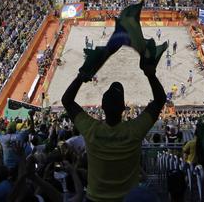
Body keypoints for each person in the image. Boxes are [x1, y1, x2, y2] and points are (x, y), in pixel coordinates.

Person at [61, 58, 167, 202]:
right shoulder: (134, 130)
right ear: (124, 108)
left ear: (102, 107)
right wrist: (150, 74)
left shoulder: (90, 129)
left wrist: (82, 76)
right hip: (128, 199)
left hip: (95, 199)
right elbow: (160, 100)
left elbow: (67, 100)